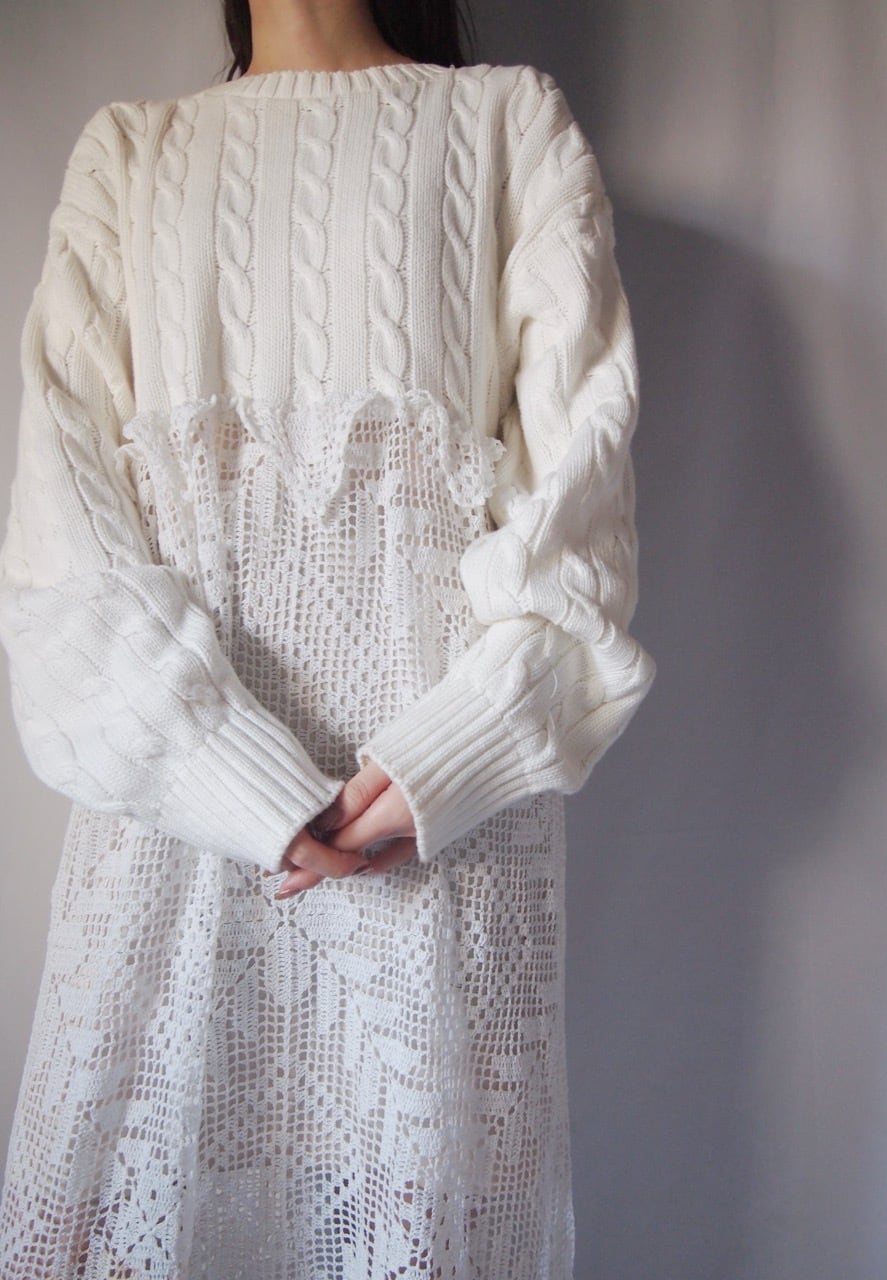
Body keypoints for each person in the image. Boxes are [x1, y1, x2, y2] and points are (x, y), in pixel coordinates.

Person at [0, 0, 657, 1275]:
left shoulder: (507, 127)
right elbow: (59, 559)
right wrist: (232, 776)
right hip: (174, 850)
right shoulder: (129, 158)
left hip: (441, 853)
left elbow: (580, 531)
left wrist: (445, 761)